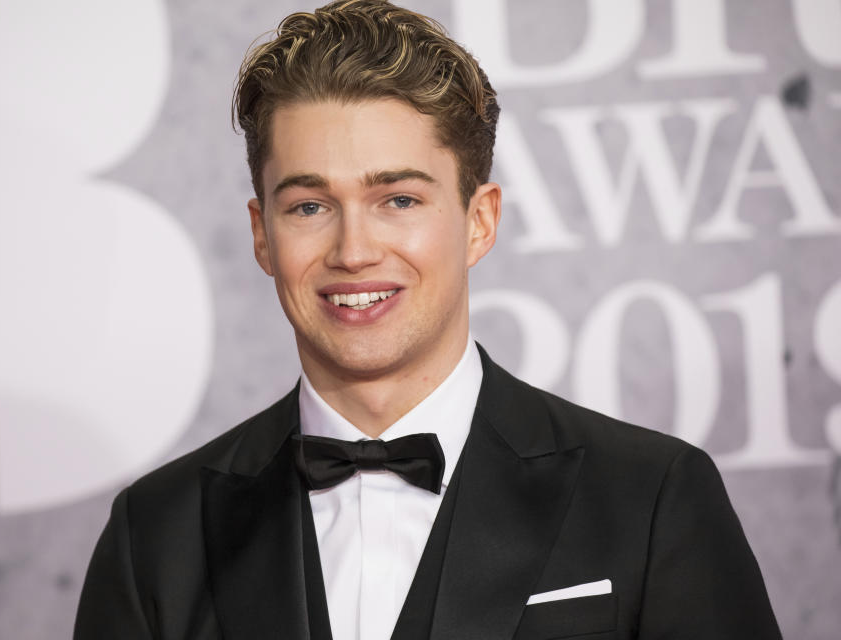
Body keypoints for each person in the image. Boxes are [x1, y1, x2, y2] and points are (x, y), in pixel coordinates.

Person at [74, 1, 782, 638]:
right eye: (309, 207)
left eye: (399, 200)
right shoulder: (156, 537)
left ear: (479, 222)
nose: (353, 251)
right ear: (263, 234)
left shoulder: (652, 497)